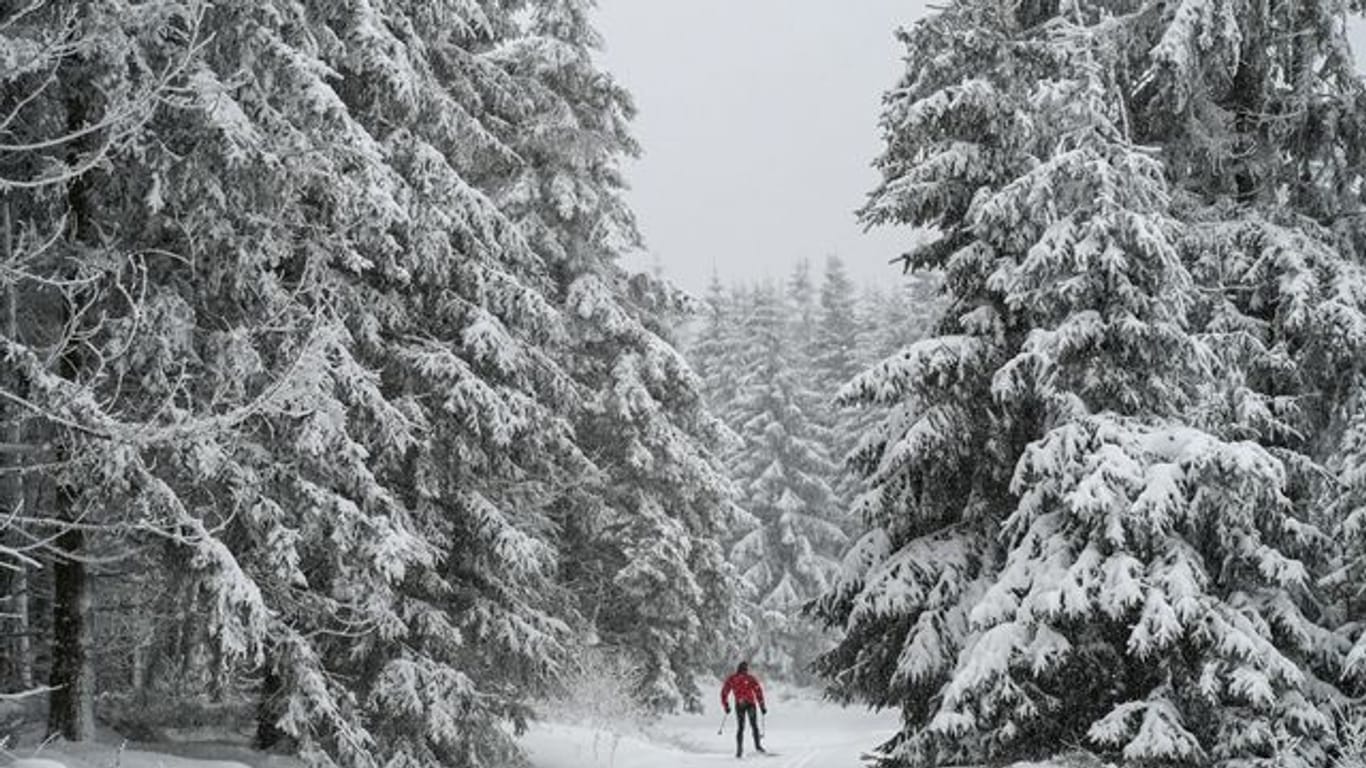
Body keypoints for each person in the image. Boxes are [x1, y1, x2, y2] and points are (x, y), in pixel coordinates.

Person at [720, 661, 766, 757]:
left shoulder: (732, 679)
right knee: (754, 725)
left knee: (741, 727)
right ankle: (757, 746)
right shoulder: (750, 678)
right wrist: (762, 705)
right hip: (750, 704)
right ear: (745, 669)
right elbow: (758, 691)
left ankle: (739, 750)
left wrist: (726, 706)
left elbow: (724, 692)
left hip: (740, 704)